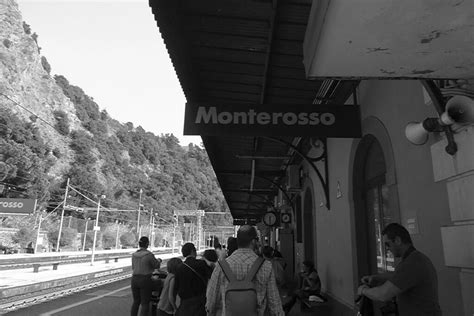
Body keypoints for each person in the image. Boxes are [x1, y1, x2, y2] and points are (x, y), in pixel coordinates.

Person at [357, 223, 442, 316]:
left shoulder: (412, 263)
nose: (387, 249)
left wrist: (363, 290)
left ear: (397, 240)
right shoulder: (416, 258)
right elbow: (399, 276)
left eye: (388, 244)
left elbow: (383, 294)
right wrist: (377, 278)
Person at [206, 225, 284, 316]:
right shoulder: (266, 266)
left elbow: (211, 301)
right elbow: (274, 302)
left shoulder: (221, 266)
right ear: (253, 241)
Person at [174, 242, 209, 316]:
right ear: (192, 251)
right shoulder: (201, 264)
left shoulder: (179, 267)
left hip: (185, 303)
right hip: (199, 302)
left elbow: (175, 287)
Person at [131, 236, 161, 316]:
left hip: (134, 279)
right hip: (145, 280)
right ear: (147, 244)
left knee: (136, 302)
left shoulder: (134, 255)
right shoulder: (149, 255)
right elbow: (156, 266)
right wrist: (159, 261)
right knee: (145, 303)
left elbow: (133, 267)